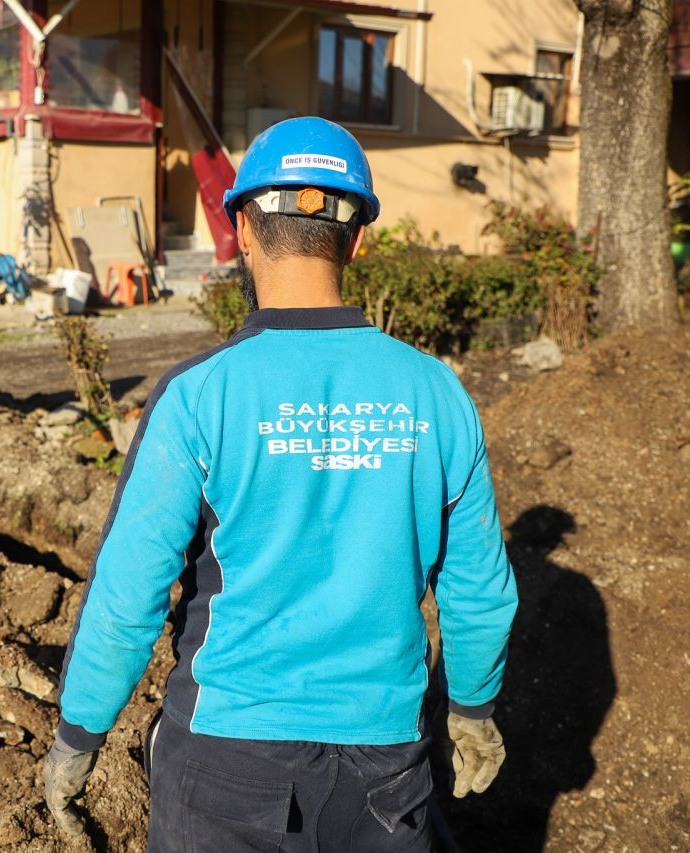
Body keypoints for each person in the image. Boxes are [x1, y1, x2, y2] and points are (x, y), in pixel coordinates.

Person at [42, 117, 518, 851]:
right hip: (387, 765)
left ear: (240, 226)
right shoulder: (435, 393)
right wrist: (473, 708)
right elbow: (479, 588)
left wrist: (81, 731)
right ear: (358, 239)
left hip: (227, 762)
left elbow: (129, 589)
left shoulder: (200, 396)